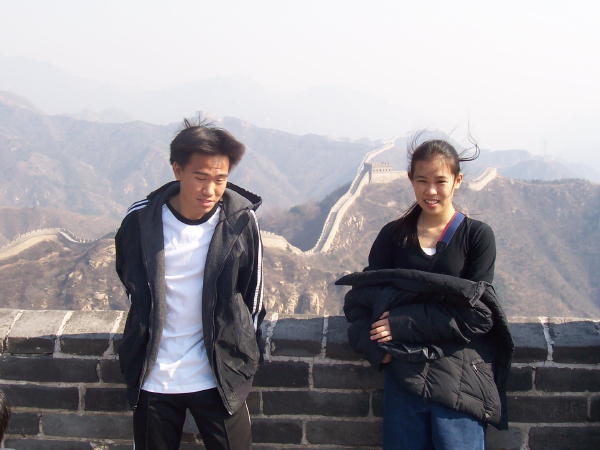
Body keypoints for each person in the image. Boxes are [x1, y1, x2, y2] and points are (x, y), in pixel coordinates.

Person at [339, 139, 513, 450]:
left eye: (440, 181)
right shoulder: (393, 236)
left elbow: (478, 314)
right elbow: (360, 300)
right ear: (411, 180)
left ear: (457, 181)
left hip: (458, 381)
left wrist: (403, 324)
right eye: (422, 180)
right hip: (404, 378)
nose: (430, 191)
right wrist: (373, 347)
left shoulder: (476, 236)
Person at [115, 119, 265, 450]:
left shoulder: (240, 220)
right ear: (177, 170)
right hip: (155, 375)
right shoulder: (141, 220)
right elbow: (132, 283)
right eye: (200, 177)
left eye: (220, 179)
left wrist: (243, 357)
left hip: (219, 374)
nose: (210, 190)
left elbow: (253, 295)